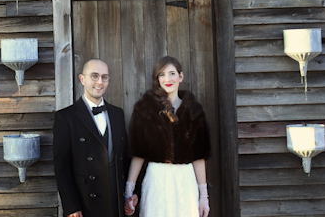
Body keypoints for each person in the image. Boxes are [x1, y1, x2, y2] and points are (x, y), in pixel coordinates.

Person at [124, 56, 211, 217]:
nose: (167, 79)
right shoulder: (144, 109)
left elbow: (199, 156)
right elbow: (138, 153)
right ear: (157, 79)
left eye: (172, 73)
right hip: (157, 179)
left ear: (181, 76)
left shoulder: (194, 110)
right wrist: (129, 189)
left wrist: (204, 196)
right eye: (162, 75)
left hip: (185, 180)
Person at [53, 59, 136, 217]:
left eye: (104, 77)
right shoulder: (65, 117)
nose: (100, 82)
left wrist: (131, 193)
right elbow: (61, 166)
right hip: (85, 204)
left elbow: (125, 159)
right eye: (94, 76)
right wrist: (71, 206)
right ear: (82, 79)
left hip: (116, 203)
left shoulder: (117, 114)